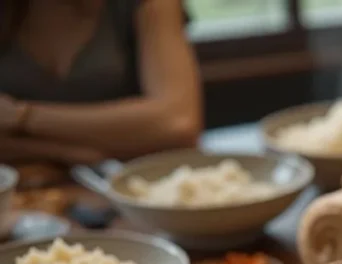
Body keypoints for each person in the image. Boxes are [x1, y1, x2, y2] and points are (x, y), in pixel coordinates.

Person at [0, 0, 202, 165]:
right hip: (20, 193)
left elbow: (176, 124)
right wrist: (66, 153)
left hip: (133, 190)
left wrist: (22, 117)